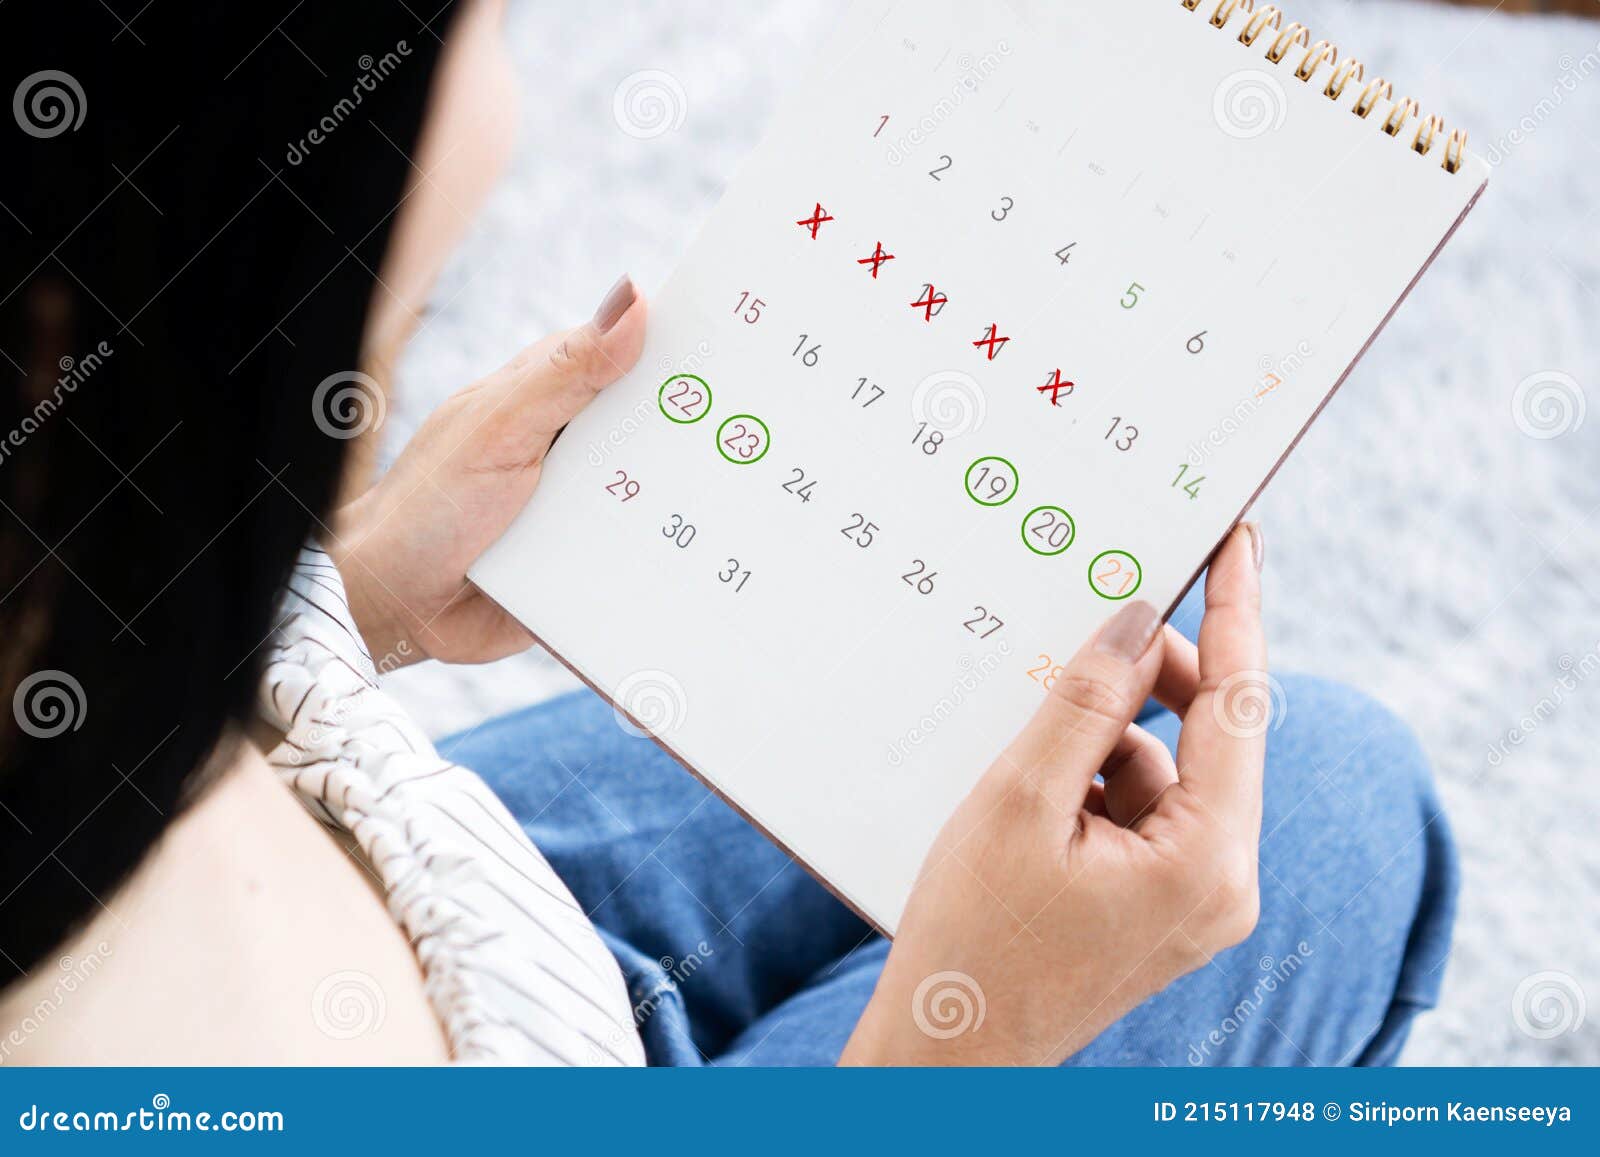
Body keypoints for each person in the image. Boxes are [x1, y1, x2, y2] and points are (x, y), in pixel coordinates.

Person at [0, 0, 1457, 1065]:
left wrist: (355, 589)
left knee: (1076, 702)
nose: (498, 85)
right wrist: (964, 1035)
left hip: (413, 865)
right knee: (1333, 798)